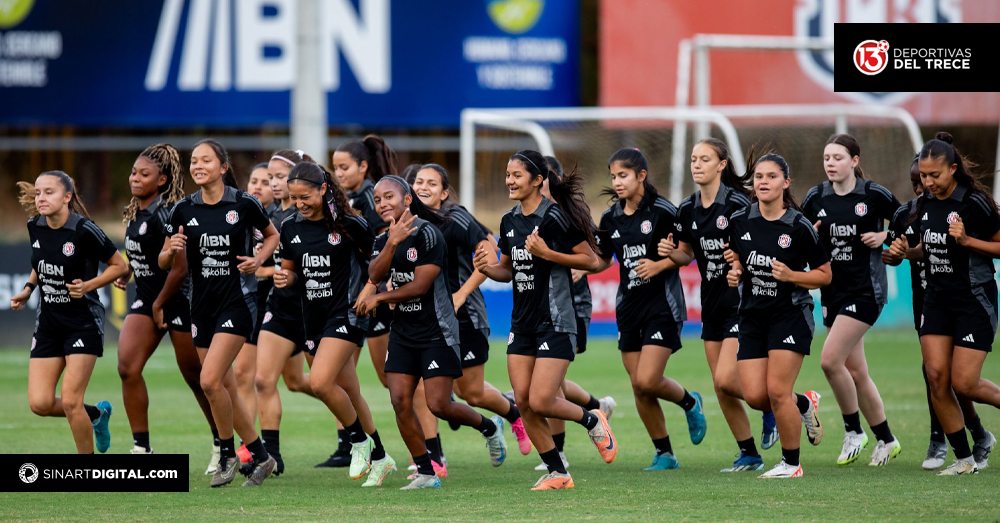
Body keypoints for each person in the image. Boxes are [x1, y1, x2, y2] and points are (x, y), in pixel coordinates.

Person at [474, 149, 616, 491]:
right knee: (524, 403)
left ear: (538, 180)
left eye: (517, 175)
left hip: (556, 320)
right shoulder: (509, 220)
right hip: (521, 324)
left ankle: (592, 419)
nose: (509, 181)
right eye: (507, 175)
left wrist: (548, 253)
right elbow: (507, 270)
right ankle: (558, 472)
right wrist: (487, 268)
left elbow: (591, 261)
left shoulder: (556, 217)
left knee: (541, 400)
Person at [357, 175, 507, 490]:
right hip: (403, 332)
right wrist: (392, 242)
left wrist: (380, 298)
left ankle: (489, 427)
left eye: (389, 197)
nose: (383, 204)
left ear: (407, 199)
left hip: (437, 330)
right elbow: (374, 273)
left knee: (439, 405)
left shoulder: (429, 234)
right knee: (400, 401)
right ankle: (426, 472)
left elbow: (420, 286)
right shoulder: (383, 239)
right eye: (378, 200)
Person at [159, 138, 278, 487]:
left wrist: (258, 259)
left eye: (206, 160)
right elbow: (164, 260)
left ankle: (227, 454)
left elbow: (272, 236)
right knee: (224, 387)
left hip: (238, 304)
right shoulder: (182, 209)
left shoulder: (243, 203)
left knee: (209, 380)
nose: (197, 166)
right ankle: (261, 456)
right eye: (194, 161)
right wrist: (171, 251)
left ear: (223, 167)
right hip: (201, 308)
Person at [276, 161, 396, 486]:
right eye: (294, 198)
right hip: (312, 318)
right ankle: (381, 458)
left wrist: (371, 290)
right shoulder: (290, 227)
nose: (299, 204)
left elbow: (378, 265)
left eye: (305, 197)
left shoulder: (350, 225)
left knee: (319, 383)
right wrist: (285, 277)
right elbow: (291, 270)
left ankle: (358, 441)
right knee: (350, 391)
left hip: (347, 313)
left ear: (323, 189)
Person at [886, 132, 1000, 475]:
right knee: (936, 377)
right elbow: (928, 248)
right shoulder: (925, 204)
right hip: (936, 300)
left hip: (973, 300)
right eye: (923, 175)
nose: (927, 182)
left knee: (964, 383)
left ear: (952, 169)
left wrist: (968, 240)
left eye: (934, 175)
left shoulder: (974, 203)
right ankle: (964, 459)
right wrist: (905, 253)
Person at [590, 147, 707, 471]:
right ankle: (665, 453)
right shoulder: (610, 218)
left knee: (647, 379)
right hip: (629, 308)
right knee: (639, 387)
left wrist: (660, 264)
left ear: (641, 175)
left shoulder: (664, 211)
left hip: (662, 306)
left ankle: (690, 401)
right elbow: (602, 259)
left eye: (623, 175)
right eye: (613, 176)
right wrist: (579, 268)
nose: (617, 182)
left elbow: (687, 254)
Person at [665, 138, 776, 472]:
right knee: (721, 386)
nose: (697, 165)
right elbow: (686, 254)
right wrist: (671, 254)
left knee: (727, 378)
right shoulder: (687, 208)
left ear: (721, 165)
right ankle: (749, 453)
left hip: (741, 302)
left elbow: (762, 243)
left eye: (705, 159)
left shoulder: (738, 204)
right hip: (711, 303)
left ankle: (780, 404)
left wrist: (739, 259)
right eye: (693, 159)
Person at [408, 164, 532, 461]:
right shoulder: (407, 221)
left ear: (444, 193)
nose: (423, 187)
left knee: (471, 393)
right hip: (427, 320)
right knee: (421, 388)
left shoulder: (455, 218)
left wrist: (461, 294)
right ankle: (432, 459)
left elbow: (490, 252)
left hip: (465, 316)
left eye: (432, 183)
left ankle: (513, 415)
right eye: (419, 182)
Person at [724, 150, 831, 479]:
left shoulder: (798, 226)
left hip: (790, 314)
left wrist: (792, 276)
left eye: (771, 177)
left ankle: (791, 464)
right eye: (759, 177)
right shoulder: (740, 220)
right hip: (752, 316)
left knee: (777, 391)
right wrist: (736, 271)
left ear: (786, 183)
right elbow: (737, 257)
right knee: (756, 396)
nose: (763, 182)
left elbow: (825, 275)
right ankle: (804, 404)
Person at [800, 134, 902, 466]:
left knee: (830, 361)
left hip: (866, 292)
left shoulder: (873, 194)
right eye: (826, 158)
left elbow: (910, 219)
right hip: (832, 292)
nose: (830, 163)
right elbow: (799, 236)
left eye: (838, 157)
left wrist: (885, 235)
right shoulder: (816, 196)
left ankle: (854, 431)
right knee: (856, 371)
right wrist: (811, 236)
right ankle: (887, 439)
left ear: (854, 161)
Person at [12, 171, 129, 453]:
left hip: (82, 323)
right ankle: (97, 415)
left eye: (49, 192)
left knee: (71, 400)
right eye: (38, 193)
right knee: (40, 403)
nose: (41, 198)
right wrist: (28, 288)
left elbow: (120, 266)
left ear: (67, 197)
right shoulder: (34, 225)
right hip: (49, 324)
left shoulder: (84, 229)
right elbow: (41, 261)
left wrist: (88, 285)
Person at [114, 143, 217, 459]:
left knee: (197, 378)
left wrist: (160, 303)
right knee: (127, 367)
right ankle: (141, 448)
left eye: (144, 174)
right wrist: (129, 270)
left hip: (180, 300)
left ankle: (223, 444)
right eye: (134, 172)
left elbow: (181, 268)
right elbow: (144, 253)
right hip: (148, 299)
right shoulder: (135, 211)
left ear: (162, 180)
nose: (135, 178)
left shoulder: (169, 212)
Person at [533, 155, 617, 472]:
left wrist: (582, 268)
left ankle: (560, 450)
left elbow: (598, 256)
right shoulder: (530, 216)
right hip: (539, 310)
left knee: (553, 383)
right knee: (553, 381)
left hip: (571, 305)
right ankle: (597, 406)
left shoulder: (569, 215)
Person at [317, 135, 396, 468]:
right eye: (335, 168)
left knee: (390, 378)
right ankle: (350, 446)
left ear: (363, 166)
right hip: (350, 301)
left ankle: (429, 446)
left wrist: (378, 287)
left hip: (372, 297)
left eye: (344, 167)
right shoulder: (344, 200)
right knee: (340, 377)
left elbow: (383, 245)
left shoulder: (371, 198)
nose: (339, 173)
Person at [251, 150, 323, 476]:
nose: (274, 183)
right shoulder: (268, 217)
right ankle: (272, 457)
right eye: (271, 178)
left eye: (280, 176)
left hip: (312, 311)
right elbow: (263, 265)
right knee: (263, 380)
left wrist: (273, 271)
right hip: (278, 308)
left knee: (324, 384)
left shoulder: (311, 216)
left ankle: (359, 436)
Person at [232, 162, 275, 465]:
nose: (258, 186)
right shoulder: (240, 217)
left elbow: (291, 267)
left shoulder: (281, 221)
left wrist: (262, 268)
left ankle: (350, 425)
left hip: (280, 307)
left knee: (305, 381)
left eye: (266, 181)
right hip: (250, 303)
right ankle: (248, 445)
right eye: (254, 181)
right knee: (243, 374)